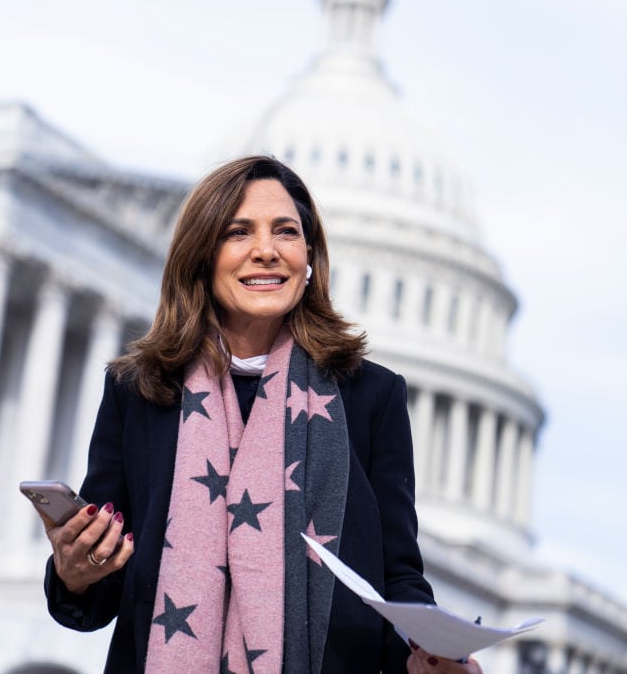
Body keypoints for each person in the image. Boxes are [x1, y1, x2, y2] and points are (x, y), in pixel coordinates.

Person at [38, 156, 483, 674]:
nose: (266, 251)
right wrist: (75, 572)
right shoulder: (139, 392)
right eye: (239, 232)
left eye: (287, 232)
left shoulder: (370, 397)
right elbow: (97, 599)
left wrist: (429, 659)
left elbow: (396, 583)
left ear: (310, 256)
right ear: (203, 255)